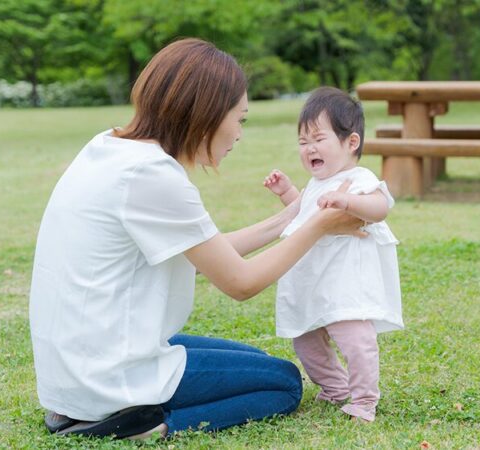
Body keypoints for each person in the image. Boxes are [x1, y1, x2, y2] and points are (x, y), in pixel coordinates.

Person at [28, 39, 365, 439]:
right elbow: (240, 282)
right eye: (239, 119)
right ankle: (147, 425)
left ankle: (102, 410)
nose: (239, 134)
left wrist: (291, 216)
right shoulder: (152, 175)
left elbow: (209, 254)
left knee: (254, 360)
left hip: (77, 365)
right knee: (284, 382)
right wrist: (320, 224)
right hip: (106, 374)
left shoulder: (109, 148)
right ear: (206, 112)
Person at [262, 87, 404, 422]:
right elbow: (305, 214)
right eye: (303, 141)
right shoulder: (316, 183)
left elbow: (380, 207)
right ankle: (335, 387)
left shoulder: (358, 179)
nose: (309, 148)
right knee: (305, 341)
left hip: (345, 282)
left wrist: (348, 202)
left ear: (351, 142)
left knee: (355, 339)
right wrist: (287, 192)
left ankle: (364, 400)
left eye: (318, 139)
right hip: (311, 281)